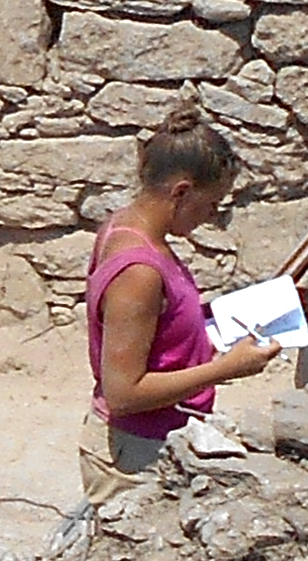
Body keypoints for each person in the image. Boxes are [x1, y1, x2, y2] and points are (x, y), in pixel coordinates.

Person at [83, 120, 287, 475]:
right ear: (181, 192)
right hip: (138, 450)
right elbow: (123, 392)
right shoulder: (139, 272)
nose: (211, 216)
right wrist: (224, 370)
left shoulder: (127, 227)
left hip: (155, 438)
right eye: (211, 204)